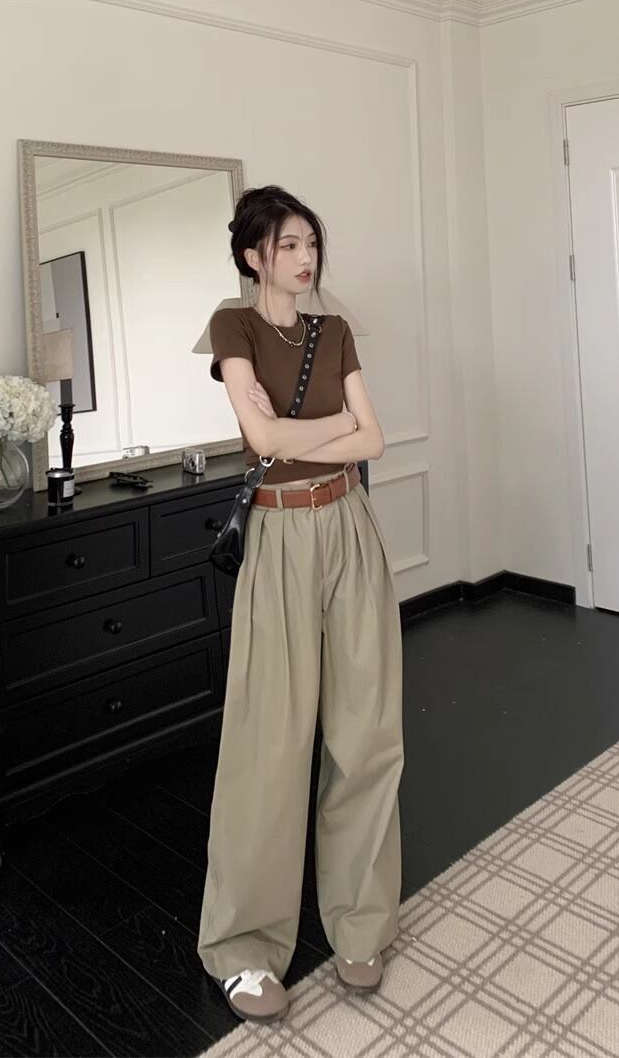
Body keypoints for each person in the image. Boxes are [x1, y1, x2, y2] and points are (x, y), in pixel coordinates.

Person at [197, 185, 404, 1024]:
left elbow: (374, 439)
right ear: (254, 256)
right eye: (287, 245)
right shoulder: (233, 327)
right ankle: (244, 947)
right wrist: (321, 430)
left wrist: (295, 432)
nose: (305, 258)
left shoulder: (336, 329)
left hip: (348, 523)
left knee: (366, 730)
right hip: (280, 535)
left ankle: (361, 921)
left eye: (310, 243)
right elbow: (263, 443)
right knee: (268, 740)